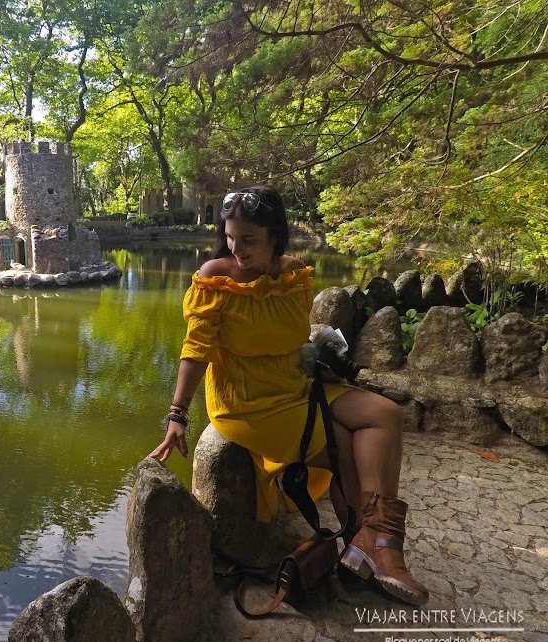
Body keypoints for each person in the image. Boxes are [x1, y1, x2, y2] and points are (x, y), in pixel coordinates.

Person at [148, 185, 428, 606]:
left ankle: (374, 540)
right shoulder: (215, 277)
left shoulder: (294, 274)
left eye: (249, 240)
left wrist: (319, 360)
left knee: (386, 414)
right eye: (230, 238)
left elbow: (295, 340)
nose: (237, 249)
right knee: (347, 447)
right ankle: (374, 549)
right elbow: (196, 351)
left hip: (296, 384)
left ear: (275, 237)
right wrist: (177, 414)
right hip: (248, 403)